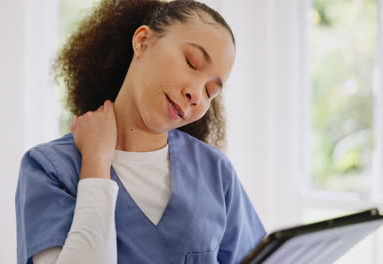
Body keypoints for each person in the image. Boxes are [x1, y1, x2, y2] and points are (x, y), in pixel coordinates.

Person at [15, 0, 266, 263]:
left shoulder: (215, 172)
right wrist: (96, 162)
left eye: (210, 92)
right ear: (143, 41)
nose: (196, 95)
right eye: (191, 63)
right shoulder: (50, 169)